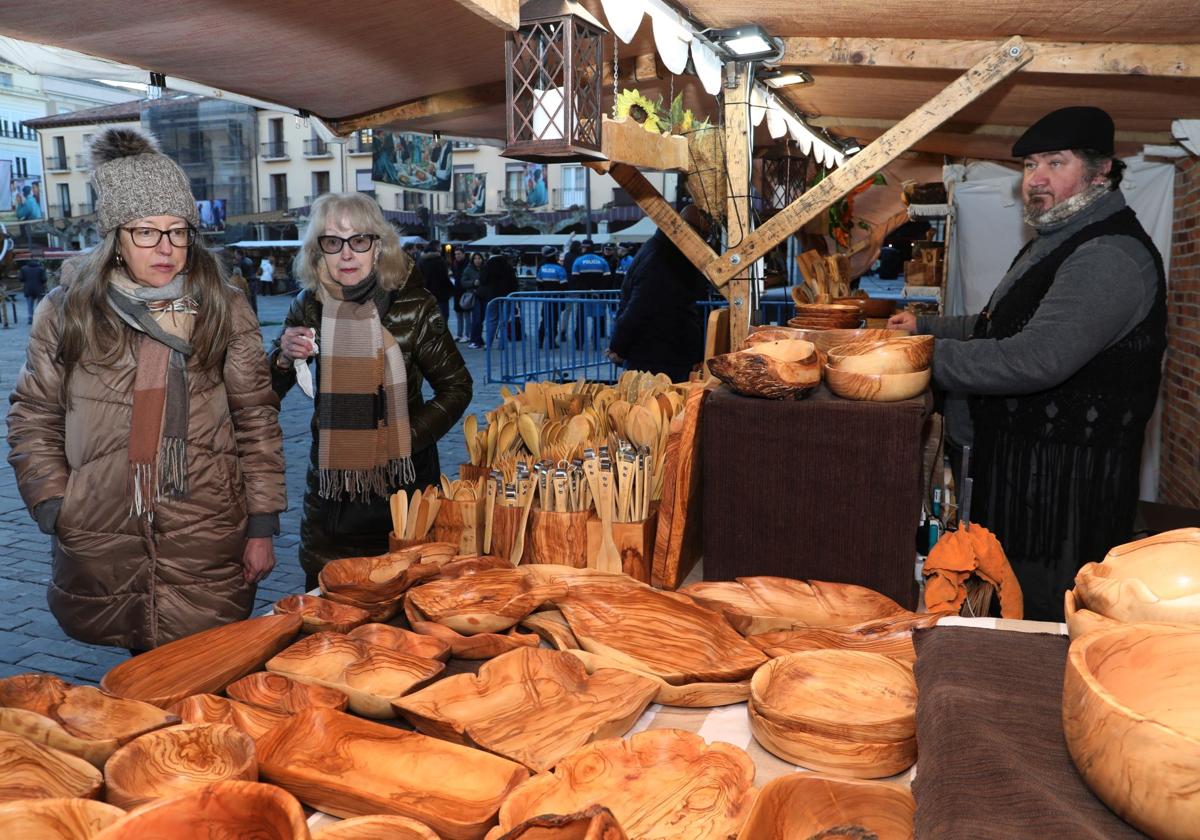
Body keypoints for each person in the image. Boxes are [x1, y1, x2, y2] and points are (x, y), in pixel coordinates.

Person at [6, 126, 285, 650]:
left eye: (178, 231)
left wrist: (261, 525)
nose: (166, 248)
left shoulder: (224, 306)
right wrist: (55, 503)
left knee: (207, 678)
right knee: (138, 685)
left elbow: (256, 419)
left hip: (206, 523)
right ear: (115, 237)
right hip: (104, 523)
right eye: (146, 232)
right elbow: (33, 415)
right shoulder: (68, 311)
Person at [888, 106, 1166, 621]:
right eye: (1029, 166)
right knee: (1008, 606)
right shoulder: (1057, 240)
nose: (1035, 180)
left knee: (1039, 619)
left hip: (1061, 500)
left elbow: (1035, 358)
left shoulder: (1108, 256)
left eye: (1055, 164)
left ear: (1101, 170)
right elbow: (1001, 323)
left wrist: (919, 358)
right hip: (1027, 479)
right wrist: (927, 329)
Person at [270, 193, 472, 589]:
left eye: (358, 240)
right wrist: (281, 357)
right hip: (331, 503)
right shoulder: (308, 306)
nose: (346, 254)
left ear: (378, 247)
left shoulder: (414, 307)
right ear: (319, 251)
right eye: (333, 241)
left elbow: (457, 387)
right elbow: (271, 390)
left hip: (404, 500)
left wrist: (403, 439)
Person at [608, 204, 710, 382]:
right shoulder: (663, 259)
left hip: (660, 353)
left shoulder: (660, 251)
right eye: (702, 237)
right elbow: (639, 308)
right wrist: (619, 346)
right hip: (657, 357)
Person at [473, 248, 518, 349]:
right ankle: (502, 344)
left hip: (492, 297)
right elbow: (514, 283)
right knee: (504, 321)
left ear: (490, 253)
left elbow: (483, 281)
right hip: (506, 297)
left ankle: (488, 344)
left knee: (491, 320)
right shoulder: (507, 265)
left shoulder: (487, 266)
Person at [570, 239, 611, 349]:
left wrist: (586, 290)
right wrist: (598, 291)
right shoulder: (602, 261)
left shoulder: (578, 261)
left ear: (584, 248)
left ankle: (579, 344)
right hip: (598, 296)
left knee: (581, 320)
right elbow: (607, 279)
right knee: (597, 320)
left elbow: (575, 280)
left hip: (584, 296)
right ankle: (596, 344)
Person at [536, 245, 568, 349]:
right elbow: (564, 285)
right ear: (554, 256)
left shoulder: (542, 268)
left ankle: (540, 342)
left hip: (546, 298)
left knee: (544, 320)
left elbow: (539, 283)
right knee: (554, 320)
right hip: (556, 299)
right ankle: (551, 342)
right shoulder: (560, 268)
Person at [417, 240, 453, 321]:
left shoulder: (421, 261)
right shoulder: (439, 260)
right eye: (440, 246)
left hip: (426, 295)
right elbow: (444, 278)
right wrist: (451, 289)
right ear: (436, 247)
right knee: (443, 317)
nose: (441, 249)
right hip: (441, 295)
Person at [460, 251, 484, 347]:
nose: (477, 260)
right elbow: (463, 282)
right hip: (474, 296)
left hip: (483, 296)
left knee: (481, 319)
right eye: (475, 258)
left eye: (479, 258)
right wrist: (473, 283)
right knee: (476, 319)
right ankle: (473, 340)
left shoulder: (484, 269)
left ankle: (479, 338)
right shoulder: (468, 269)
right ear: (472, 260)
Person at [449, 247, 470, 342]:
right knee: (458, 314)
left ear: (463, 254)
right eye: (456, 254)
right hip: (457, 291)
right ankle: (459, 334)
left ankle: (467, 335)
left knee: (466, 314)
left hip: (465, 292)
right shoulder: (454, 264)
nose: (457, 256)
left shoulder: (468, 264)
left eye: (459, 254)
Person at [19, 258, 46, 324]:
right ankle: (39, 318)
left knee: (30, 305)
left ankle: (30, 318)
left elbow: (21, 279)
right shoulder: (41, 268)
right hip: (39, 289)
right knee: (39, 305)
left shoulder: (23, 268)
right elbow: (44, 279)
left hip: (28, 289)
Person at [234, 247, 258, 314]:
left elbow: (240, 275)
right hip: (253, 281)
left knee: (248, 300)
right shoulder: (249, 260)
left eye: (236, 255)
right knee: (253, 301)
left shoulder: (241, 262)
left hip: (248, 282)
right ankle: (255, 315)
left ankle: (250, 315)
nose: (235, 256)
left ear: (239, 255)